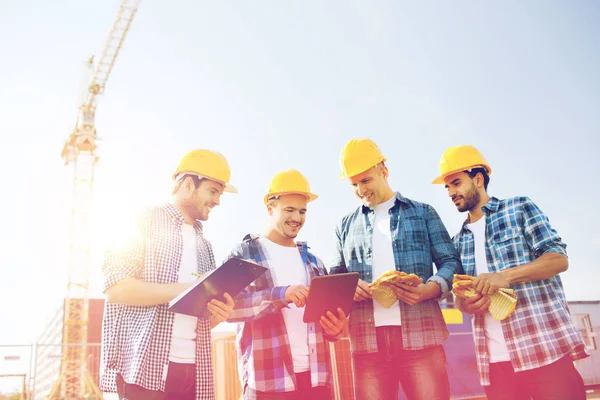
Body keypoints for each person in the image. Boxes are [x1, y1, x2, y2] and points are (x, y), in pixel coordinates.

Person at [432, 144, 589, 400]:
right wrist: (469, 304)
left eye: (456, 183)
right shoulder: (457, 241)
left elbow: (558, 259)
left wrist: (504, 276)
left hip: (544, 351)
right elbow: (460, 301)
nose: (451, 192)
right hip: (496, 364)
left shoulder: (519, 208)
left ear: (479, 179)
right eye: (447, 187)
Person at [100, 149, 238, 400]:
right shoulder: (142, 221)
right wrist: (189, 287)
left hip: (193, 372)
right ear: (188, 185)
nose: (218, 200)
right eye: (213, 191)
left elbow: (201, 318)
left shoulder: (205, 246)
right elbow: (115, 289)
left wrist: (218, 313)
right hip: (144, 370)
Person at [330, 138, 462, 400]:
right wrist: (346, 287)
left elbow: (451, 263)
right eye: (354, 184)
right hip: (368, 346)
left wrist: (430, 289)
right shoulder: (344, 225)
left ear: (384, 171)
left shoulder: (423, 213)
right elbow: (336, 276)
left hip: (421, 338)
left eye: (365, 180)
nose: (360, 189)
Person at [225, 169, 347, 400]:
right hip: (268, 383)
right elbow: (229, 308)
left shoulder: (314, 262)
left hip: (316, 380)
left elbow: (327, 325)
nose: (297, 218)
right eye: (289, 210)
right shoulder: (244, 254)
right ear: (270, 208)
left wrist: (335, 329)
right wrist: (281, 295)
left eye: (302, 211)